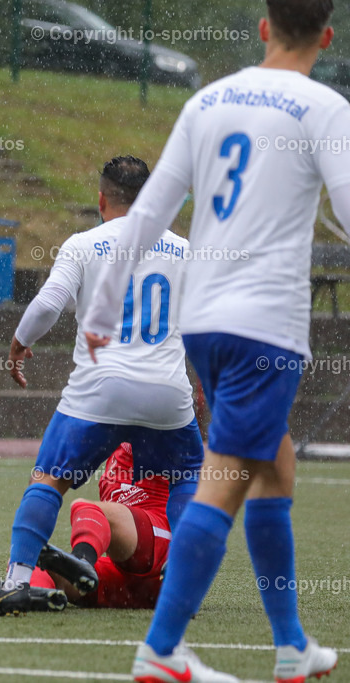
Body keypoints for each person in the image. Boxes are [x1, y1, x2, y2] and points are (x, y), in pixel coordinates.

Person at [82, 2, 342, 680]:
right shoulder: (322, 107)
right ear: (327, 35)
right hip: (265, 326)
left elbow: (149, 213)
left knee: (274, 463)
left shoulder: (208, 100)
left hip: (202, 322)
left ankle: (290, 644)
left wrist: (104, 305)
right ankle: (161, 648)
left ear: (263, 28)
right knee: (226, 477)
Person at [0, 156, 203, 618]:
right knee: (188, 475)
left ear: (102, 199)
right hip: (165, 393)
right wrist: (197, 381)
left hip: (100, 388)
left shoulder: (84, 244)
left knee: (48, 481)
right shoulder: (185, 250)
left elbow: (47, 305)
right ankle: (178, 584)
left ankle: (17, 581)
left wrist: (19, 344)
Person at [0, 443, 172, 610]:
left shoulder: (170, 428)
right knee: (26, 560)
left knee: (85, 508)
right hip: (130, 584)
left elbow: (197, 495)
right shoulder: (113, 436)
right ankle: (36, 595)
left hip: (161, 553)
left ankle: (81, 561)